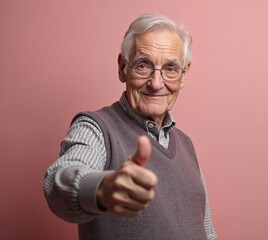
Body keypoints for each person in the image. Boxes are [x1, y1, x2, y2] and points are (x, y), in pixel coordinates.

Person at [43, 13, 217, 240]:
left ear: (184, 75)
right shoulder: (96, 128)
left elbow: (207, 232)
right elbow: (59, 182)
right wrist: (102, 189)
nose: (156, 83)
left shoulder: (186, 144)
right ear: (122, 67)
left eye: (170, 69)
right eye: (143, 65)